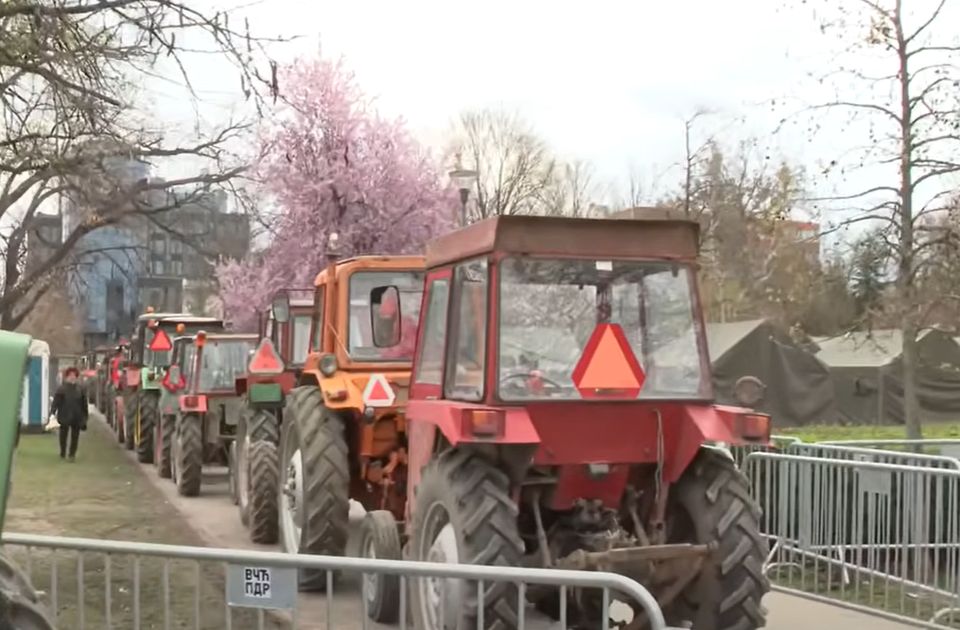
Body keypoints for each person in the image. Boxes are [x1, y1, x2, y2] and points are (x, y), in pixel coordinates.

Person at [50, 367, 88, 462]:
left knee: (75, 436)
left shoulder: (80, 389)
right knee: (63, 435)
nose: (72, 377)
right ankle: (63, 452)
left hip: (77, 416)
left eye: (74, 375)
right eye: (70, 375)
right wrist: (52, 413)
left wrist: (85, 416)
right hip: (64, 415)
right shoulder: (61, 389)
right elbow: (56, 402)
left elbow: (84, 403)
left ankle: (72, 454)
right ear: (66, 377)